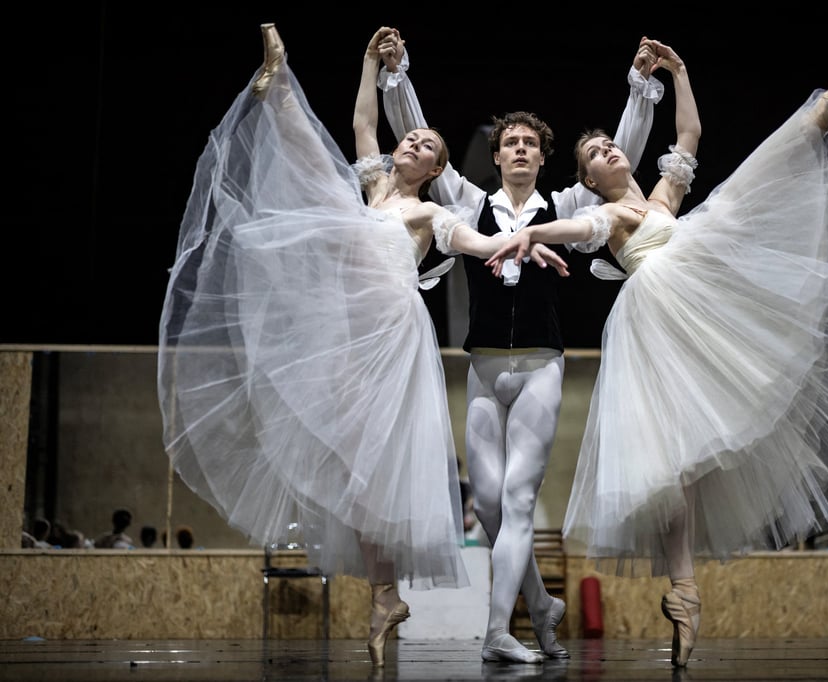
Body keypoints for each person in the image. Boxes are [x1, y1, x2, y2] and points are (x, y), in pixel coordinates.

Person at [157, 24, 567, 667]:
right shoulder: (371, 189)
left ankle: (390, 594)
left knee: (378, 468)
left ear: (435, 170)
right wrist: (370, 66)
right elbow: (361, 123)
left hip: (393, 337)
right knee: (354, 469)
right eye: (411, 136)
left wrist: (523, 241)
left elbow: (482, 246)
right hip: (349, 331)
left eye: (427, 143)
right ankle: (385, 596)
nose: (413, 140)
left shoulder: (433, 213)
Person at [486, 40, 828, 667]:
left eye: (610, 145)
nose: (609, 150)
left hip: (696, 298)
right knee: (669, 469)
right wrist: (525, 235)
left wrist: (679, 72)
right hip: (658, 321)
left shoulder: (660, 200)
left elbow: (690, 132)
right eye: (596, 155)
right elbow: (570, 230)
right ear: (590, 181)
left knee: (747, 190)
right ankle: (684, 593)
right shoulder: (611, 217)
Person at [378, 31, 664, 664]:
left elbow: (622, 162)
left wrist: (638, 91)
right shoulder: (468, 201)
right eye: (510, 141)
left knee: (518, 500)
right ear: (496, 152)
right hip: (481, 368)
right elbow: (422, 142)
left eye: (531, 142)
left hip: (540, 366)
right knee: (496, 513)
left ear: (543, 157)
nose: (519, 148)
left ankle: (497, 632)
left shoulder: (566, 204)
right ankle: (542, 606)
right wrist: (397, 74)